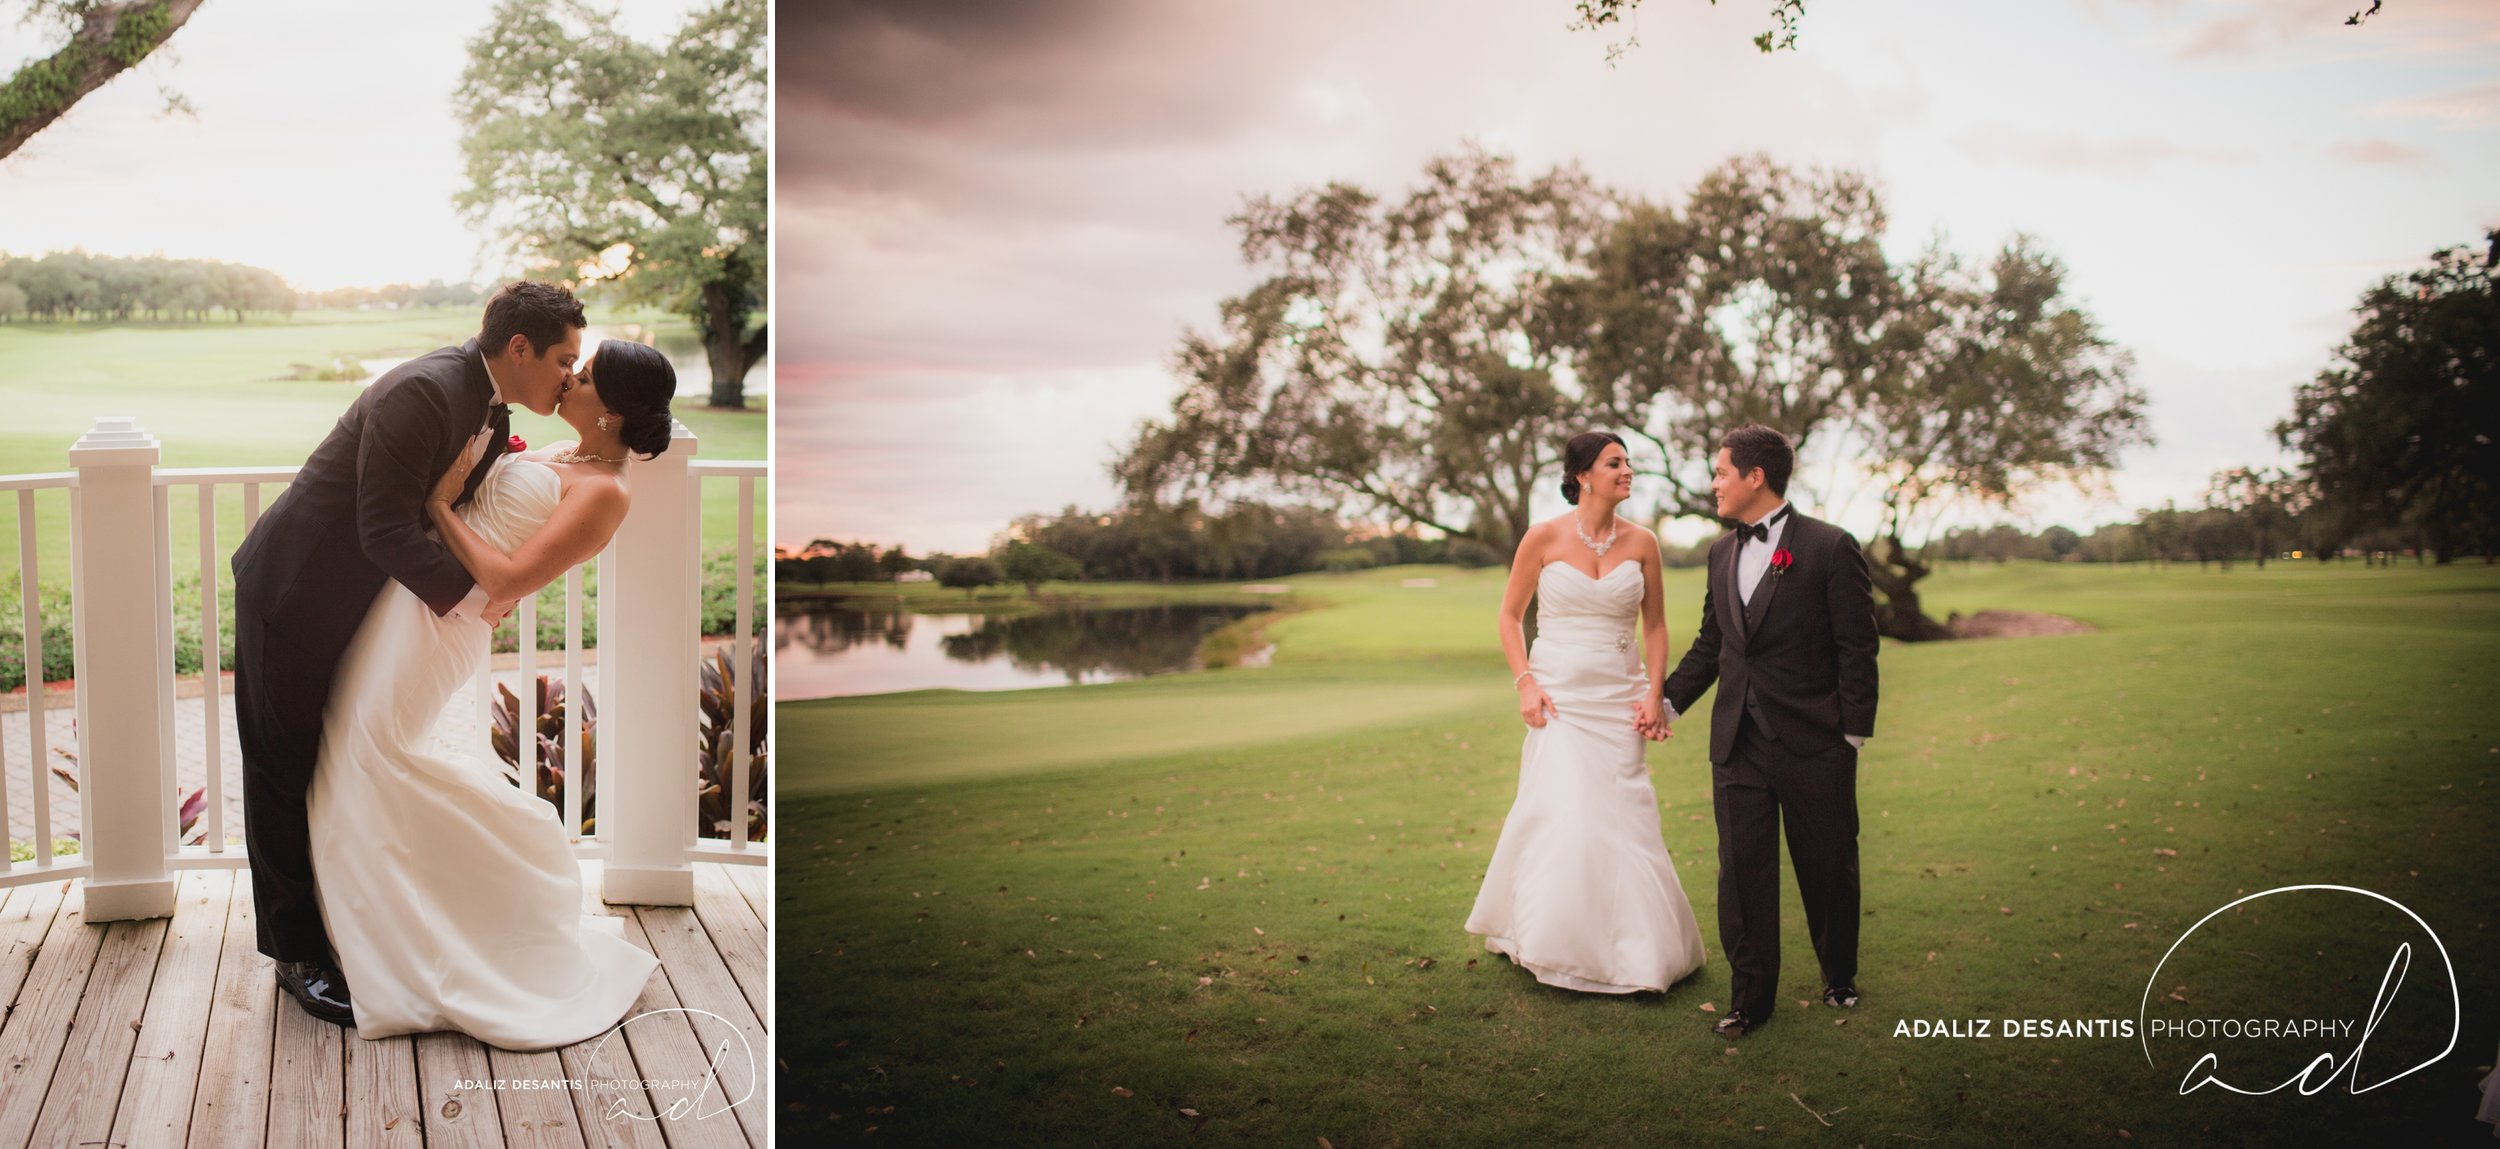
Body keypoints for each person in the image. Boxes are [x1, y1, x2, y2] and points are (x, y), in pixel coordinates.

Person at [302, 335, 680, 1050]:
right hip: (407, 600)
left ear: (614, 412)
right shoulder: (560, 457)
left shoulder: (605, 492)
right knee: (352, 741)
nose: (570, 376)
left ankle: (468, 915)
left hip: (446, 621)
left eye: (587, 374)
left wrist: (442, 507)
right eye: (574, 364)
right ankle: (374, 926)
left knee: (375, 750)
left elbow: (507, 581)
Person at [230, 282, 578, 1026]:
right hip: (289, 597)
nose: (567, 377)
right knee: (280, 769)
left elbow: (435, 512)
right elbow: (382, 527)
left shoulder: (490, 407)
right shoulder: (424, 391)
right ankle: (295, 957)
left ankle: (338, 926)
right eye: (562, 359)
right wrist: (478, 600)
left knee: (330, 757)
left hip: (352, 608)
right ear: (518, 348)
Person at [1652, 423, 1879, 1039]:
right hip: (1737, 744)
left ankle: (1839, 977)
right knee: (1742, 873)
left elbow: (1857, 649)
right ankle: (1749, 1001)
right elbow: (1714, 643)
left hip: (1816, 742)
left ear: (1756, 477)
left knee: (1828, 867)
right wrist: (1666, 702)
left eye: (1721, 471)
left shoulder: (1832, 547)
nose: (1714, 483)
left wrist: (1851, 736)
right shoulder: (1721, 551)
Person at [1463, 431, 1708, 995]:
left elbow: (1655, 625)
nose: (1628, 471)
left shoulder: (1644, 542)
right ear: (1582, 476)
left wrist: (1655, 695)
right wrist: (1525, 683)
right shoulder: (1542, 537)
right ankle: (1553, 941)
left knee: (1625, 817)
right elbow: (1509, 617)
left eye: (1628, 463)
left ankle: (1642, 951)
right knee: (1565, 814)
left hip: (1620, 698)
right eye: (1614, 463)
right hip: (1560, 700)